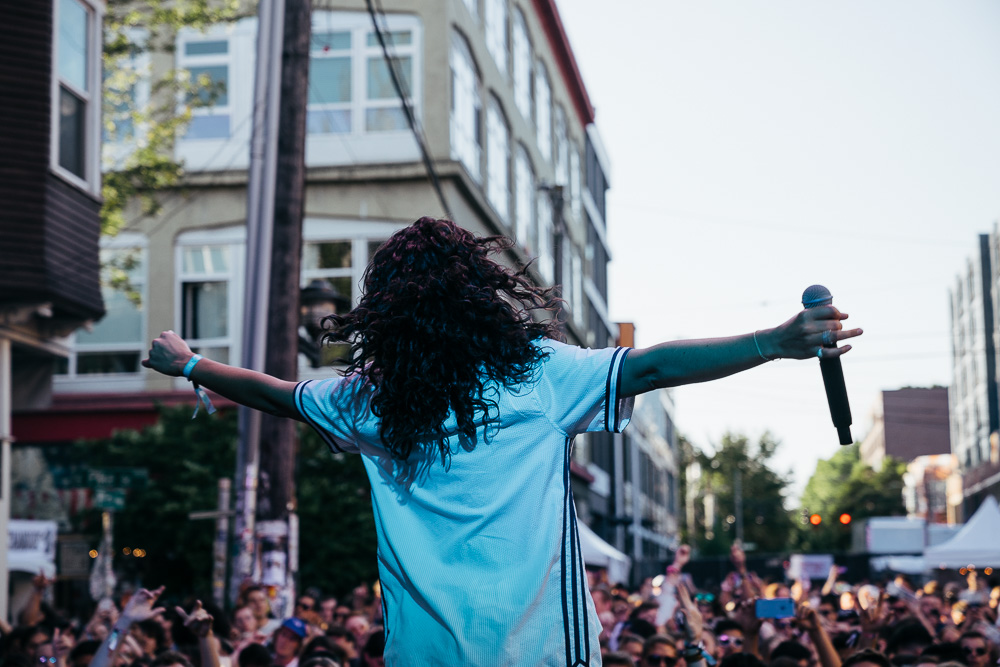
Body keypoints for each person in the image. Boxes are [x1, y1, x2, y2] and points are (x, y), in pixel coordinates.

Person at [142, 218, 862, 665]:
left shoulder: (368, 398)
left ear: (385, 310)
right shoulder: (541, 377)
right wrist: (774, 340)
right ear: (479, 292)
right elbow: (653, 364)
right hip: (545, 651)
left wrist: (190, 365)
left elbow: (277, 393)